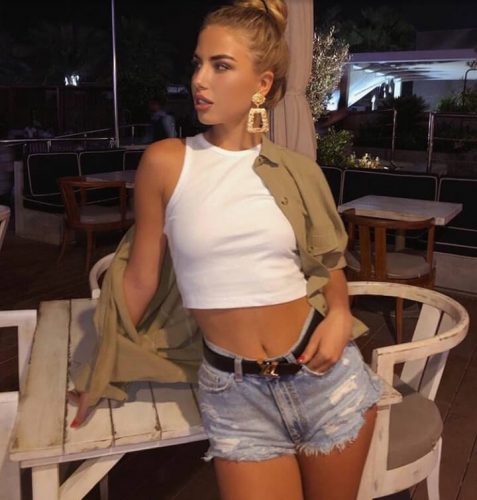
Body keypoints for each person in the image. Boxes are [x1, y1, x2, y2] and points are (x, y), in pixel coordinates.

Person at [69, 1, 383, 498]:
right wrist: (99, 367)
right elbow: (138, 280)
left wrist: (341, 313)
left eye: (220, 66)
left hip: (324, 377)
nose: (199, 79)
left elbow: (329, 262)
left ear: (262, 83)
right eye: (198, 63)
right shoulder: (167, 162)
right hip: (234, 393)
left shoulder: (298, 170)